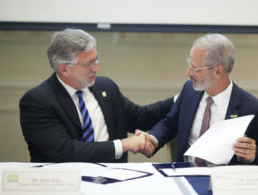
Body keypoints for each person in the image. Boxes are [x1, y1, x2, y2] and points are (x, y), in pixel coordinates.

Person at [19, 28, 174, 163]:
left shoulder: (105, 87)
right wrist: (124, 144)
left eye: (96, 59)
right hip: (65, 183)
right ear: (64, 69)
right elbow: (66, 151)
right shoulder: (37, 101)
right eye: (89, 64)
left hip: (113, 180)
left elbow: (140, 118)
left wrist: (179, 99)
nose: (96, 68)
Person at [137, 34, 258, 165]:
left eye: (195, 68)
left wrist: (252, 156)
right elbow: (170, 123)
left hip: (224, 185)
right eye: (189, 64)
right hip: (185, 176)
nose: (188, 73)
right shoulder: (189, 90)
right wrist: (153, 139)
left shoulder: (254, 110)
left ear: (218, 71)